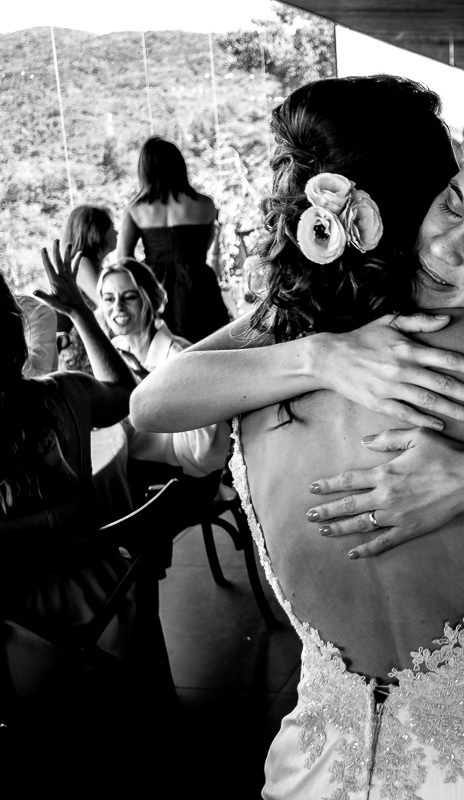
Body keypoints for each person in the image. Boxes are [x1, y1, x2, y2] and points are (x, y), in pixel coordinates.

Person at [131, 76, 464, 798]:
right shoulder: (299, 332)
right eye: (451, 203)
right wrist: (322, 356)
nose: (442, 248)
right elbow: (153, 401)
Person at [2, 247, 174, 793]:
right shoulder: (64, 396)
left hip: (30, 646)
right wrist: (79, 311)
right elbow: (127, 394)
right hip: (116, 610)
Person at [96, 258, 230, 483]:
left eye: (129, 297)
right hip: (134, 461)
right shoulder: (115, 351)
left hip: (184, 474)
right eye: (109, 299)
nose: (117, 307)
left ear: (149, 299)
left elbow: (205, 451)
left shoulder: (179, 356)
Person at [118, 136, 231, 344]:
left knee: (162, 349)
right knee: (209, 345)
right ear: (179, 165)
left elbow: (124, 260)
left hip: (156, 288)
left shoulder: (135, 210)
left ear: (145, 169)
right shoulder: (206, 205)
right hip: (199, 285)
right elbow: (204, 249)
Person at [56, 205, 118, 373]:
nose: (117, 232)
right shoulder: (81, 263)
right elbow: (105, 302)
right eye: (111, 227)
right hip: (82, 355)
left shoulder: (91, 264)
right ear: (96, 232)